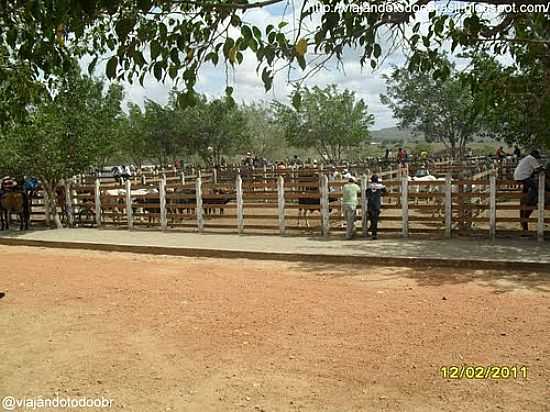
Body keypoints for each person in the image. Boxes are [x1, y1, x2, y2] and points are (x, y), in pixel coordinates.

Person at [366, 175, 386, 240]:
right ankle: (374, 234)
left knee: (372, 220)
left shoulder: (368, 187)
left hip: (370, 205)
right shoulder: (380, 187)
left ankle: (372, 232)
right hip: (376, 205)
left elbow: (366, 194)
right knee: (375, 220)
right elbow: (386, 192)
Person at [342, 175, 361, 240]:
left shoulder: (344, 186)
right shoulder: (355, 186)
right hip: (352, 204)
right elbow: (360, 191)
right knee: (350, 221)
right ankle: (348, 235)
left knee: (348, 220)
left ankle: (352, 232)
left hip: (344, 204)